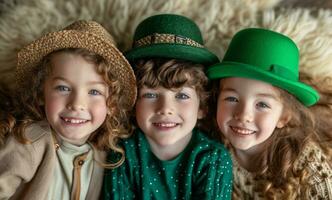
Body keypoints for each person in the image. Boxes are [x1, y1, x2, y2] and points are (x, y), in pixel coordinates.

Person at [0, 20, 137, 200]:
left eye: (94, 91)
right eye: (63, 88)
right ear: (42, 93)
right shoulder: (28, 142)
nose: (76, 104)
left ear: (111, 104)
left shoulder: (104, 157)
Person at [102, 14, 233, 199]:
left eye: (181, 95)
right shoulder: (122, 154)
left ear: (202, 106)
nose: (165, 108)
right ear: (132, 103)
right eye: (150, 94)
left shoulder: (213, 159)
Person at [207, 28, 332, 199]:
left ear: (284, 117)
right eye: (232, 99)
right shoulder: (209, 146)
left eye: (262, 104)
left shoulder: (306, 164)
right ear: (217, 98)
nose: (243, 115)